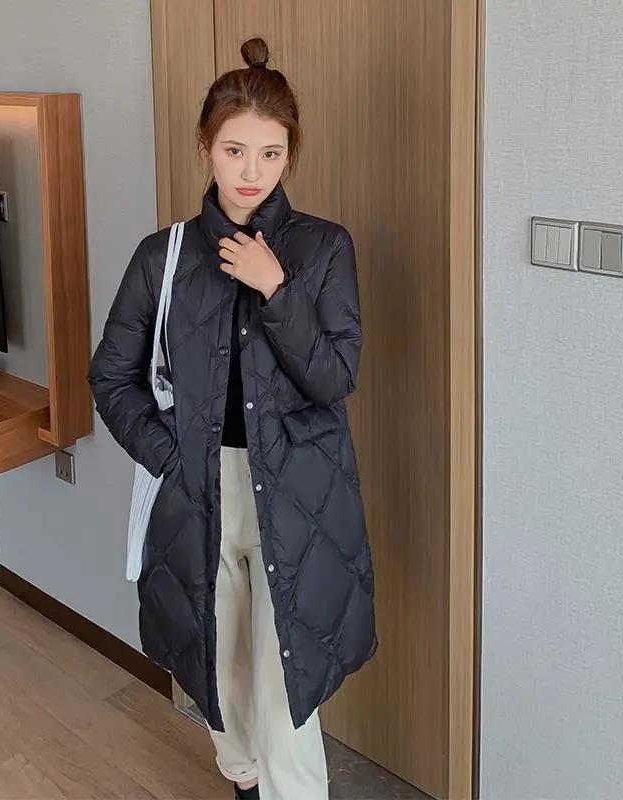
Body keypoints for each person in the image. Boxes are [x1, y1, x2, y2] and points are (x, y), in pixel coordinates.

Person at [88, 36, 377, 800]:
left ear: (290, 154)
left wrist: (276, 289)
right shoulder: (163, 256)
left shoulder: (323, 248)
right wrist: (173, 456)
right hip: (197, 489)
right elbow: (111, 378)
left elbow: (335, 378)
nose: (252, 172)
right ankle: (244, 783)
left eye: (271, 154)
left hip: (299, 494)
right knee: (220, 673)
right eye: (235, 151)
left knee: (286, 693)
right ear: (205, 147)